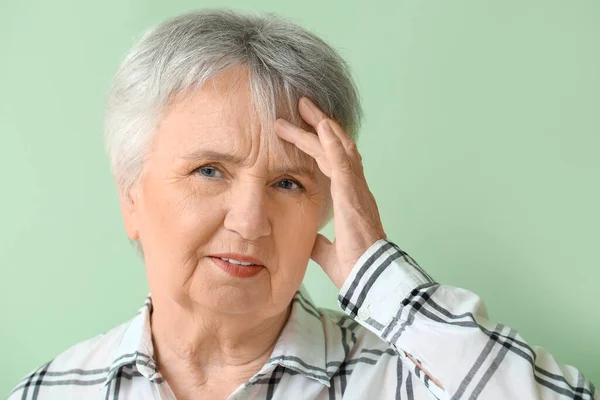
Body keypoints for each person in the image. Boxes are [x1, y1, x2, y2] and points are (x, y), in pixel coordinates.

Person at [8, 9, 596, 400]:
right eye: (209, 171)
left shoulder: (406, 378)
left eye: (289, 183)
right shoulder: (52, 390)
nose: (248, 221)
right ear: (130, 197)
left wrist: (383, 279)